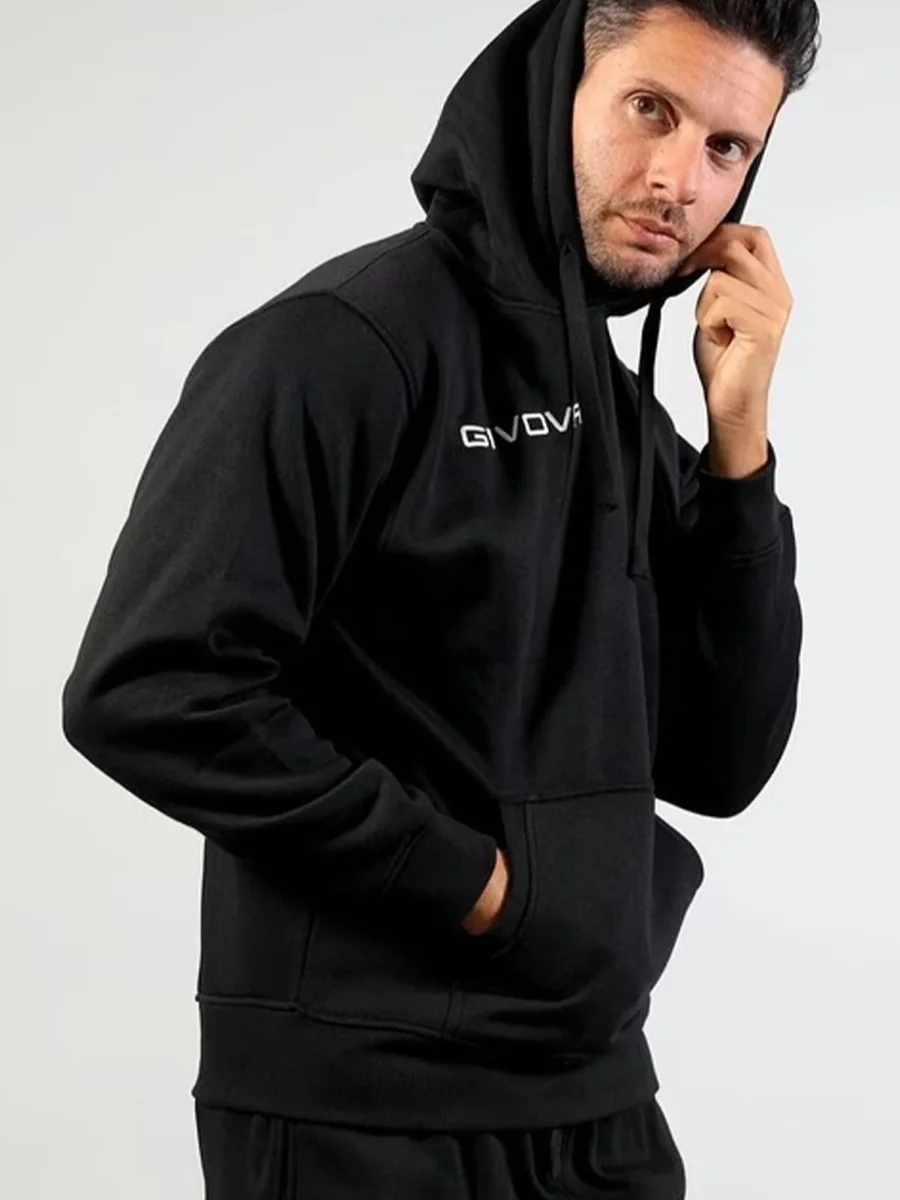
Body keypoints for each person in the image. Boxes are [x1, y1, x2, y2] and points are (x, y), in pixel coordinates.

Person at [61, 0, 819, 1195]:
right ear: (555, 88)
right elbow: (150, 689)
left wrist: (738, 447)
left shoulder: (617, 409)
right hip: (361, 1110)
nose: (681, 179)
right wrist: (477, 889)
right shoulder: (339, 347)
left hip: (595, 1095)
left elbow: (722, 761)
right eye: (650, 110)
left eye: (727, 146)